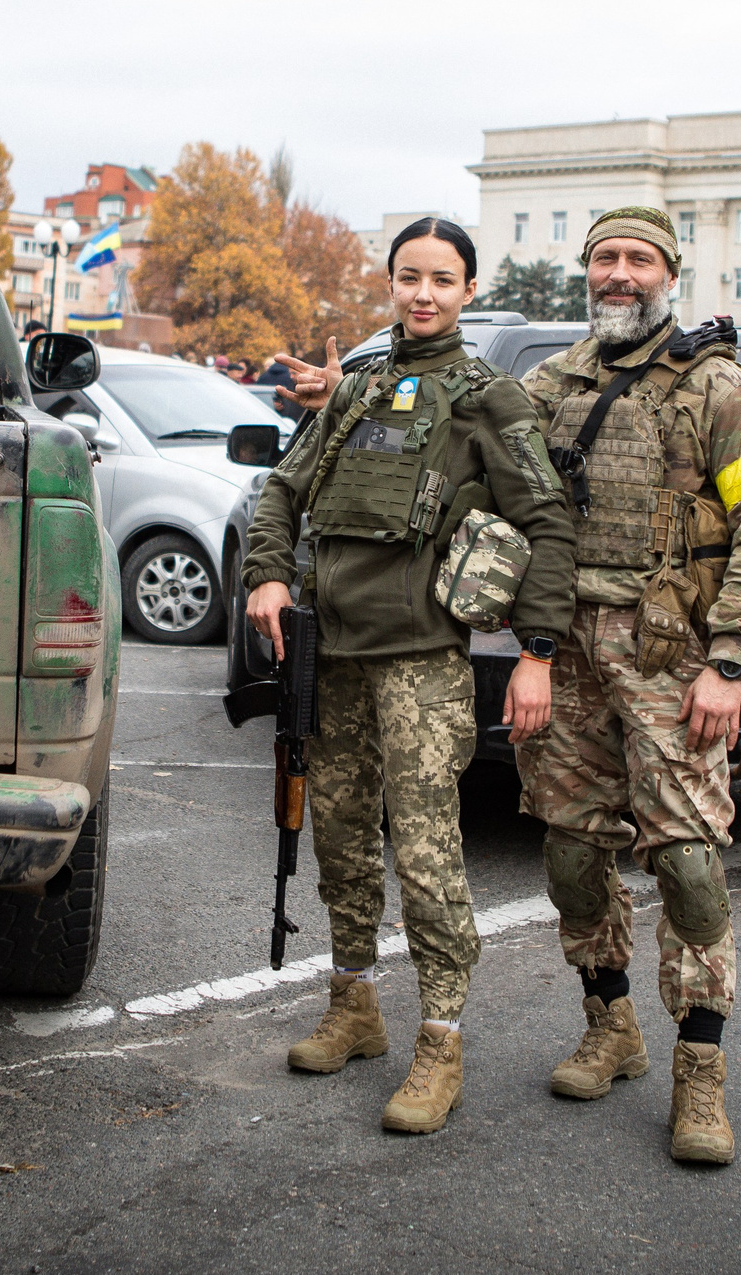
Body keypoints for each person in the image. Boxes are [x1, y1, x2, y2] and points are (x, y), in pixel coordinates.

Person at [242, 217, 577, 1136]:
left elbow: (547, 523)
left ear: (468, 288)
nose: (422, 293)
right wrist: (268, 571)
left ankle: (441, 1038)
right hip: (335, 653)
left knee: (426, 848)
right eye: (407, 277)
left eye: (441, 278)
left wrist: (538, 652)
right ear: (389, 284)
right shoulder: (358, 391)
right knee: (342, 831)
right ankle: (354, 1002)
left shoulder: (489, 400)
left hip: (423, 662)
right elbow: (280, 489)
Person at [505, 207, 741, 1168]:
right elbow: (476, 458)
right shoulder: (551, 382)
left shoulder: (717, 386)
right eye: (605, 258)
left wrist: (732, 661)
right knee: (568, 853)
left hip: (674, 659)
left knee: (685, 863)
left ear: (669, 273)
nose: (619, 273)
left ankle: (701, 1072)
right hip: (569, 657)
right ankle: (610, 1024)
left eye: (638, 259)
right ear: (586, 272)